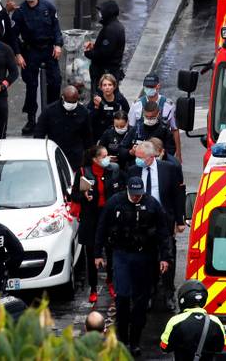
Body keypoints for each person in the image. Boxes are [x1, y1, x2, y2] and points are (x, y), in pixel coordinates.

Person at [94, 176, 171, 355]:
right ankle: (123, 339)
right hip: (122, 255)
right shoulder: (115, 202)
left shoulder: (152, 204)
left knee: (141, 302)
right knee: (122, 298)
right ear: (127, 190)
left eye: (139, 194)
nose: (137, 197)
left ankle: (135, 341)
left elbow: (163, 232)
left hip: (145, 256)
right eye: (134, 194)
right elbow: (102, 227)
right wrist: (97, 254)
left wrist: (165, 257)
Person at [126, 140, 185, 311]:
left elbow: (177, 195)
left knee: (168, 257)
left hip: (164, 221)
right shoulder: (133, 170)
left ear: (151, 157)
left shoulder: (168, 169)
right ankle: (149, 292)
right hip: (142, 222)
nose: (136, 160)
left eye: (140, 157)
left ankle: (168, 293)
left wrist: (180, 221)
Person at [70, 145, 124, 304]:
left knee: (111, 252)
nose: (108, 158)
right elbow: (73, 195)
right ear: (95, 159)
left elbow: (119, 191)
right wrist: (83, 195)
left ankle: (110, 281)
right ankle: (93, 288)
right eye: (104, 156)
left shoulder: (112, 171)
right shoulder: (82, 172)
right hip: (90, 219)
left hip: (108, 217)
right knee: (92, 254)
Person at [12, 0, 64, 135]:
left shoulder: (48, 8)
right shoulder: (20, 12)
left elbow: (56, 29)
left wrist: (58, 45)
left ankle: (52, 116)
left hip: (48, 49)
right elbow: (13, 36)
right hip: (30, 51)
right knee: (31, 86)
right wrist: (18, 54)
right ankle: (31, 119)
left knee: (55, 82)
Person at [160, 280, 226, 361]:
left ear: (183, 299)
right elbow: (220, 347)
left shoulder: (175, 321)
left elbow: (164, 347)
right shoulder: (216, 321)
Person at [34, 85, 94, 170]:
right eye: (69, 102)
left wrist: (88, 158)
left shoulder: (83, 112)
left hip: (75, 157)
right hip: (55, 153)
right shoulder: (50, 111)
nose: (71, 105)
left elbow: (88, 137)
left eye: (74, 102)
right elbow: (39, 133)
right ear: (63, 98)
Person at [84, 0, 126, 88]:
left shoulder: (111, 30)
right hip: (109, 71)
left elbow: (104, 53)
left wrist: (88, 53)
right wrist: (95, 46)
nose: (100, 14)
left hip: (105, 72)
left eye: (101, 11)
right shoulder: (115, 26)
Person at [88, 74, 130, 140]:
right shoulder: (96, 99)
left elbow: (127, 115)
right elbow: (89, 118)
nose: (107, 87)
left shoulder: (120, 99)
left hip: (116, 134)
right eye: (104, 85)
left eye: (110, 85)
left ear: (114, 86)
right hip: (99, 134)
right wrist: (96, 107)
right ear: (101, 87)